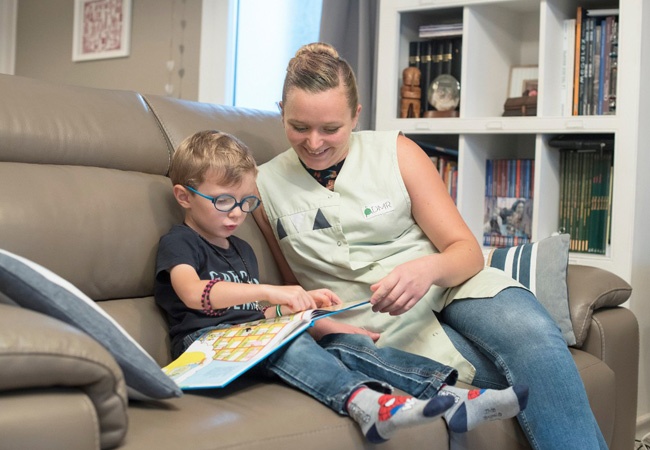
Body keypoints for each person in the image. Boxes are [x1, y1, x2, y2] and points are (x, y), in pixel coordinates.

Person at [253, 42, 607, 450]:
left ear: (356, 114)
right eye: (299, 126)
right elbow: (291, 286)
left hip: (458, 286)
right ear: (281, 111)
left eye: (330, 128)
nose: (314, 143)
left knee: (535, 337)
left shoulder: (397, 152)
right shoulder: (262, 188)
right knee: (533, 382)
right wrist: (325, 327)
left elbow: (465, 251)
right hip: (387, 327)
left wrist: (426, 270)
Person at [154, 130, 528, 444]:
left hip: (248, 337)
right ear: (184, 197)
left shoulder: (242, 250)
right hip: (204, 348)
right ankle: (364, 403)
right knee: (289, 347)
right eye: (223, 201)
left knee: (345, 343)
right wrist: (271, 290)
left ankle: (450, 395)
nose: (237, 212)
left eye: (246, 202)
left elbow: (260, 315)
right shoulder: (181, 242)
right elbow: (193, 293)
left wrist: (315, 317)